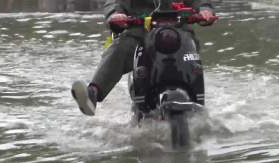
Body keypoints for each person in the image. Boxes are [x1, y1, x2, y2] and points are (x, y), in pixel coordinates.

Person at [72, 0, 216, 116]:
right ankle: (93, 92)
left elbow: (200, 2)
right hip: (140, 32)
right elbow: (116, 3)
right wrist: (116, 14)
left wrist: (205, 10)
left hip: (180, 31)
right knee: (120, 48)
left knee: (190, 51)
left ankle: (199, 105)